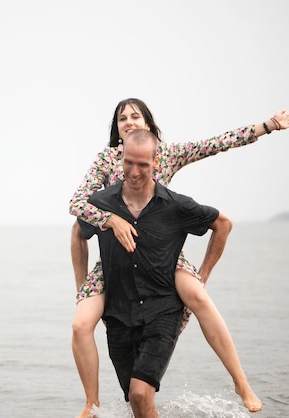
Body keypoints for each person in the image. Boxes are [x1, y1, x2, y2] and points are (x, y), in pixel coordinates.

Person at [69, 98, 289, 418]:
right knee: (81, 324)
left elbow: (215, 144)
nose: (129, 121)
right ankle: (91, 403)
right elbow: (78, 205)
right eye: (122, 119)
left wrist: (268, 126)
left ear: (149, 125)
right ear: (117, 130)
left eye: (136, 116)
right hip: (114, 259)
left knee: (198, 296)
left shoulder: (167, 153)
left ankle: (241, 382)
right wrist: (110, 221)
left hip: (162, 252)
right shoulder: (106, 160)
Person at [88, 128, 232, 417]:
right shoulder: (102, 203)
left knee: (141, 393)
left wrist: (202, 275)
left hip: (162, 311)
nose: (135, 171)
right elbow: (78, 231)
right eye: (129, 162)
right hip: (118, 316)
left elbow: (223, 224)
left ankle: (241, 383)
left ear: (156, 162)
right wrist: (82, 284)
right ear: (121, 160)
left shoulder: (175, 205)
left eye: (143, 164)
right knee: (136, 400)